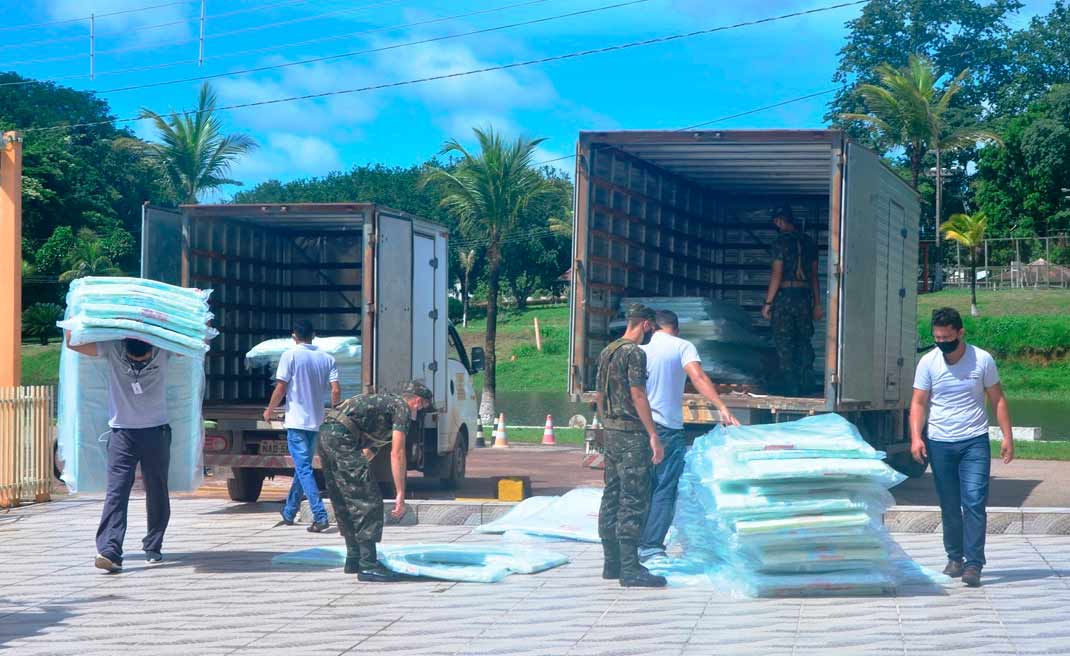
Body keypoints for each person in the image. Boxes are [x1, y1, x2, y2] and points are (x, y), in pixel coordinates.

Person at [910, 307, 1014, 588]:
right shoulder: (928, 363)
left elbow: (998, 400)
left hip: (974, 441)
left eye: (947, 337)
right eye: (937, 337)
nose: (942, 342)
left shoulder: (982, 360)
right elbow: (919, 403)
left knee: (974, 500)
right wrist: (916, 437)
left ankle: (974, 564)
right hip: (940, 442)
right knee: (949, 504)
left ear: (960, 333)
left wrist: (1007, 436)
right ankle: (955, 557)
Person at [64, 332, 173, 573]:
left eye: (144, 358)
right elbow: (73, 343)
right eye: (134, 358)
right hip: (122, 434)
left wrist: (204, 317)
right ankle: (109, 551)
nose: (140, 362)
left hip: (156, 431)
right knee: (116, 491)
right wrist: (73, 312)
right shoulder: (113, 349)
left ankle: (153, 545)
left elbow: (199, 344)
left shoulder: (164, 347)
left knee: (157, 489)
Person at [638, 309, 741, 562]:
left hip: (639, 427)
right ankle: (650, 546)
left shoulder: (639, 350)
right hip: (667, 429)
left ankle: (631, 543)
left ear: (652, 327)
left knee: (639, 487)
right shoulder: (683, 347)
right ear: (676, 328)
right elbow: (697, 376)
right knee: (664, 488)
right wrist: (722, 406)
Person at [318, 380, 433, 582]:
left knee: (345, 498)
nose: (420, 411)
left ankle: (353, 558)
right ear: (417, 401)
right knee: (368, 501)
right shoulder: (402, 409)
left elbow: (371, 449)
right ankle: (368, 565)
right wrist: (400, 494)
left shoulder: (385, 407)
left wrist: (359, 473)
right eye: (423, 406)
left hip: (327, 434)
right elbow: (397, 454)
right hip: (341, 438)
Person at [594, 303, 666, 588]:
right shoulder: (635, 353)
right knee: (634, 499)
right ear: (647, 324)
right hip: (632, 436)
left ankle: (611, 564)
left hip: (611, 432)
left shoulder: (607, 351)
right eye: (653, 329)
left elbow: (599, 395)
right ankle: (630, 569)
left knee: (611, 495)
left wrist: (604, 424)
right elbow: (638, 395)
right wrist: (652, 434)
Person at [263, 320, 341, 532]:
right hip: (316, 422)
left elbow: (281, 387)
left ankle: (320, 514)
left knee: (304, 468)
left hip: (297, 422)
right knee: (303, 467)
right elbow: (335, 390)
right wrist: (335, 411)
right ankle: (289, 511)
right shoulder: (327, 358)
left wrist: (270, 409)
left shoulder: (291, 355)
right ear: (313, 335)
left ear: (294, 336)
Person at [761, 206, 823, 396]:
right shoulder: (810, 242)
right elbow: (814, 276)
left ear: (779, 221)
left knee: (784, 342)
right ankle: (806, 383)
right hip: (804, 297)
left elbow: (777, 274)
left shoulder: (780, 242)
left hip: (785, 297)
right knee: (804, 340)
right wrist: (817, 304)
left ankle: (791, 386)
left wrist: (768, 303)